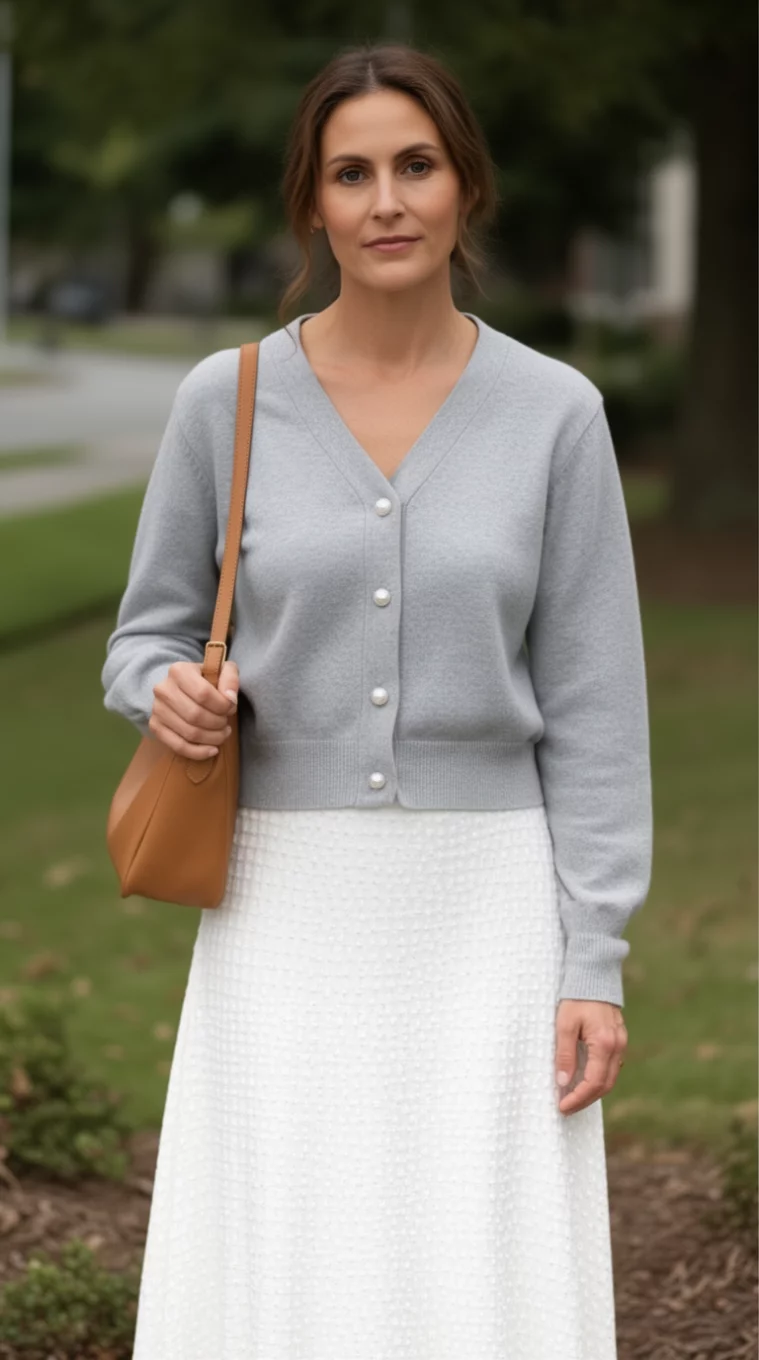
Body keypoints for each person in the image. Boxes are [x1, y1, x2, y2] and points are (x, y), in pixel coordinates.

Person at [101, 40, 652, 1360]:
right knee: (293, 1226)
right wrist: (166, 691)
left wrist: (595, 958)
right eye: (351, 174)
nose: (386, 200)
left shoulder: (554, 415)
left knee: (475, 1236)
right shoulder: (223, 402)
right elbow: (141, 640)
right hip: (282, 896)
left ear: (465, 189)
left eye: (416, 165)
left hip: (489, 907)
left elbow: (594, 708)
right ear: (311, 205)